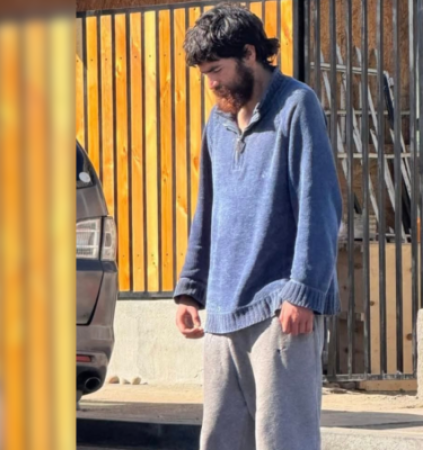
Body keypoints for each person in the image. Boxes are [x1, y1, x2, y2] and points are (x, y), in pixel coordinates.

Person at [173, 4, 342, 450]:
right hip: (222, 311)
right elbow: (208, 209)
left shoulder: (296, 105)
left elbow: (319, 204)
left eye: (216, 70)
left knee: (283, 441)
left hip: (279, 311)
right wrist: (191, 288)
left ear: (249, 54)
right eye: (204, 74)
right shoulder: (218, 121)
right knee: (220, 442)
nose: (211, 83)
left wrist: (303, 290)